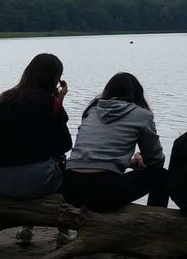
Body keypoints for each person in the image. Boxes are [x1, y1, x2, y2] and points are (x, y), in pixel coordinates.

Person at [0, 53, 74, 244]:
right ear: (55, 78)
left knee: (32, 158)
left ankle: (26, 228)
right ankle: (64, 232)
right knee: (61, 166)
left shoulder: (5, 99)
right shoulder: (50, 103)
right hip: (34, 181)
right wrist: (58, 102)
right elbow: (65, 144)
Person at [62, 72, 168, 211]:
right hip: (104, 191)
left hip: (70, 187)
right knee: (161, 175)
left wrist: (129, 163)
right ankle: (156, 222)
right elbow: (156, 161)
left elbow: (91, 155)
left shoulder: (91, 110)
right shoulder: (142, 115)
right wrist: (144, 163)